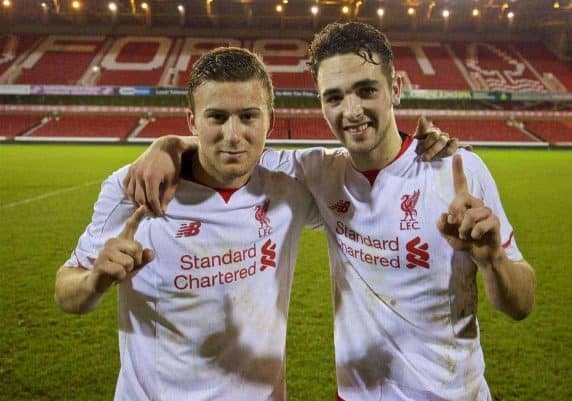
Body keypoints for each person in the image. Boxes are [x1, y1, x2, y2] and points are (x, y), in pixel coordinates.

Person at [126, 22, 536, 401]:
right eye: (334, 97)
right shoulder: (319, 172)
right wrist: (167, 144)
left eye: (366, 90)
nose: (351, 110)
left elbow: (520, 304)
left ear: (395, 88)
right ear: (321, 102)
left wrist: (493, 260)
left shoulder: (457, 171)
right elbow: (228, 145)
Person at [54, 48, 324, 401]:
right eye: (216, 117)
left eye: (248, 116)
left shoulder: (291, 182)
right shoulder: (136, 188)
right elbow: (66, 293)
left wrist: (422, 151)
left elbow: (377, 173)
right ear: (193, 121)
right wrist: (94, 281)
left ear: (269, 120)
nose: (233, 134)